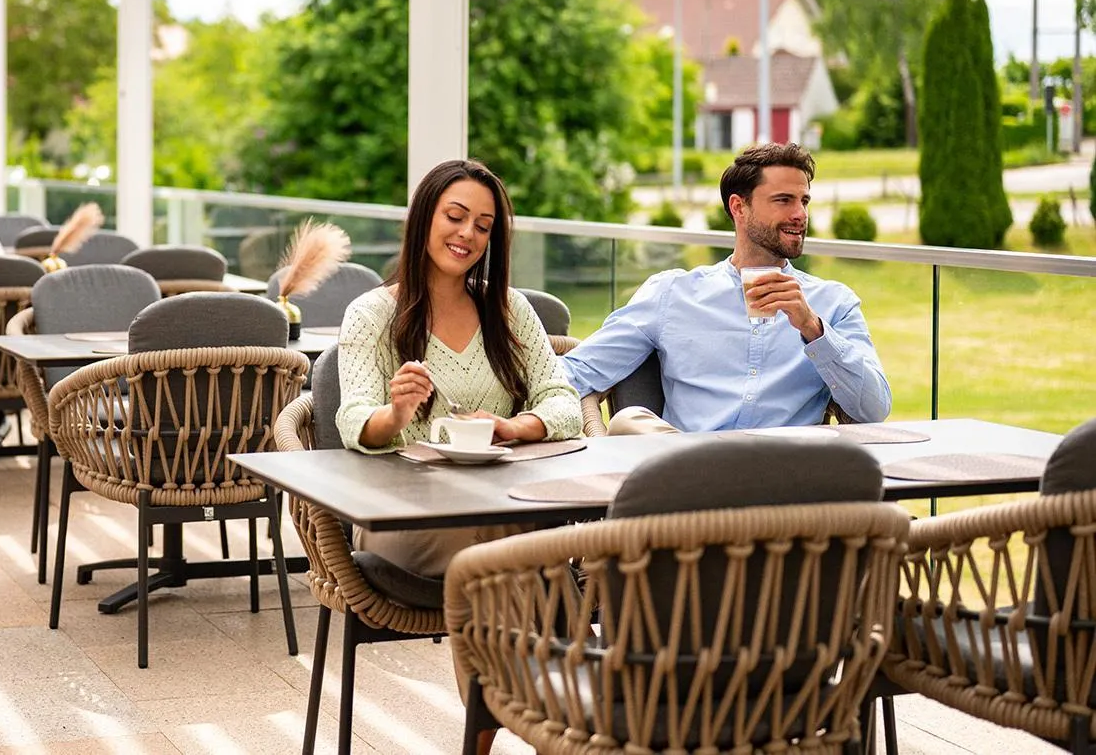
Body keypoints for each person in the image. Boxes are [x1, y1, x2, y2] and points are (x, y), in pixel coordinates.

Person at [335, 159, 582, 577]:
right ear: (423, 218)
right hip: (403, 513)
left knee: (531, 540)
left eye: (483, 226)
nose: (468, 233)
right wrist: (396, 413)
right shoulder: (370, 314)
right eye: (455, 216)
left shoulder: (508, 310)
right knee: (521, 553)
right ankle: (555, 635)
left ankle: (532, 637)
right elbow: (352, 420)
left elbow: (563, 402)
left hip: (498, 503)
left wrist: (514, 427)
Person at [562, 142, 891, 433]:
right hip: (691, 471)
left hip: (789, 474)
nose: (800, 214)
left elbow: (874, 409)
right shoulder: (672, 293)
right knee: (630, 422)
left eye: (804, 201)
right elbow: (580, 370)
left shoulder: (834, 303)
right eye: (783, 200)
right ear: (738, 207)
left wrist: (813, 328)